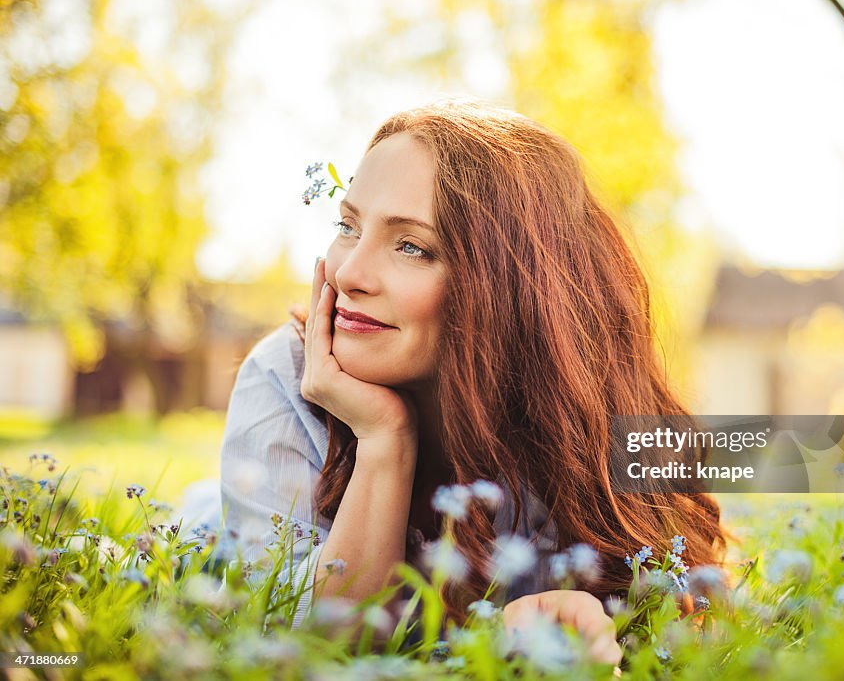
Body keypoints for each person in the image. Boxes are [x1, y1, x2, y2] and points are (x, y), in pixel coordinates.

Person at [218, 99, 730, 666]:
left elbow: (683, 614)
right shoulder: (288, 376)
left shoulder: (582, 425)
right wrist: (386, 440)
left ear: (506, 288)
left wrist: (581, 623)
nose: (348, 273)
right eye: (348, 226)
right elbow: (308, 652)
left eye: (411, 246)